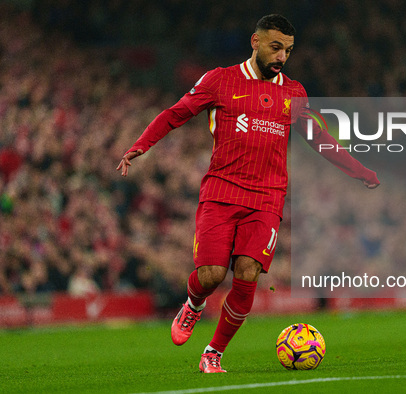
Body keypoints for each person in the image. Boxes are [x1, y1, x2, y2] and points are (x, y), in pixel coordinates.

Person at [117, 14, 379, 373]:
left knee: (247, 273)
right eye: (275, 47)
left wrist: (360, 171)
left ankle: (213, 353)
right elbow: (176, 113)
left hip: (267, 198)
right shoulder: (220, 80)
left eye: (287, 50)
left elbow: (320, 138)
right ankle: (193, 304)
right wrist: (141, 145)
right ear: (255, 42)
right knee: (209, 276)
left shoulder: (295, 93)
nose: (281, 57)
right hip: (221, 192)